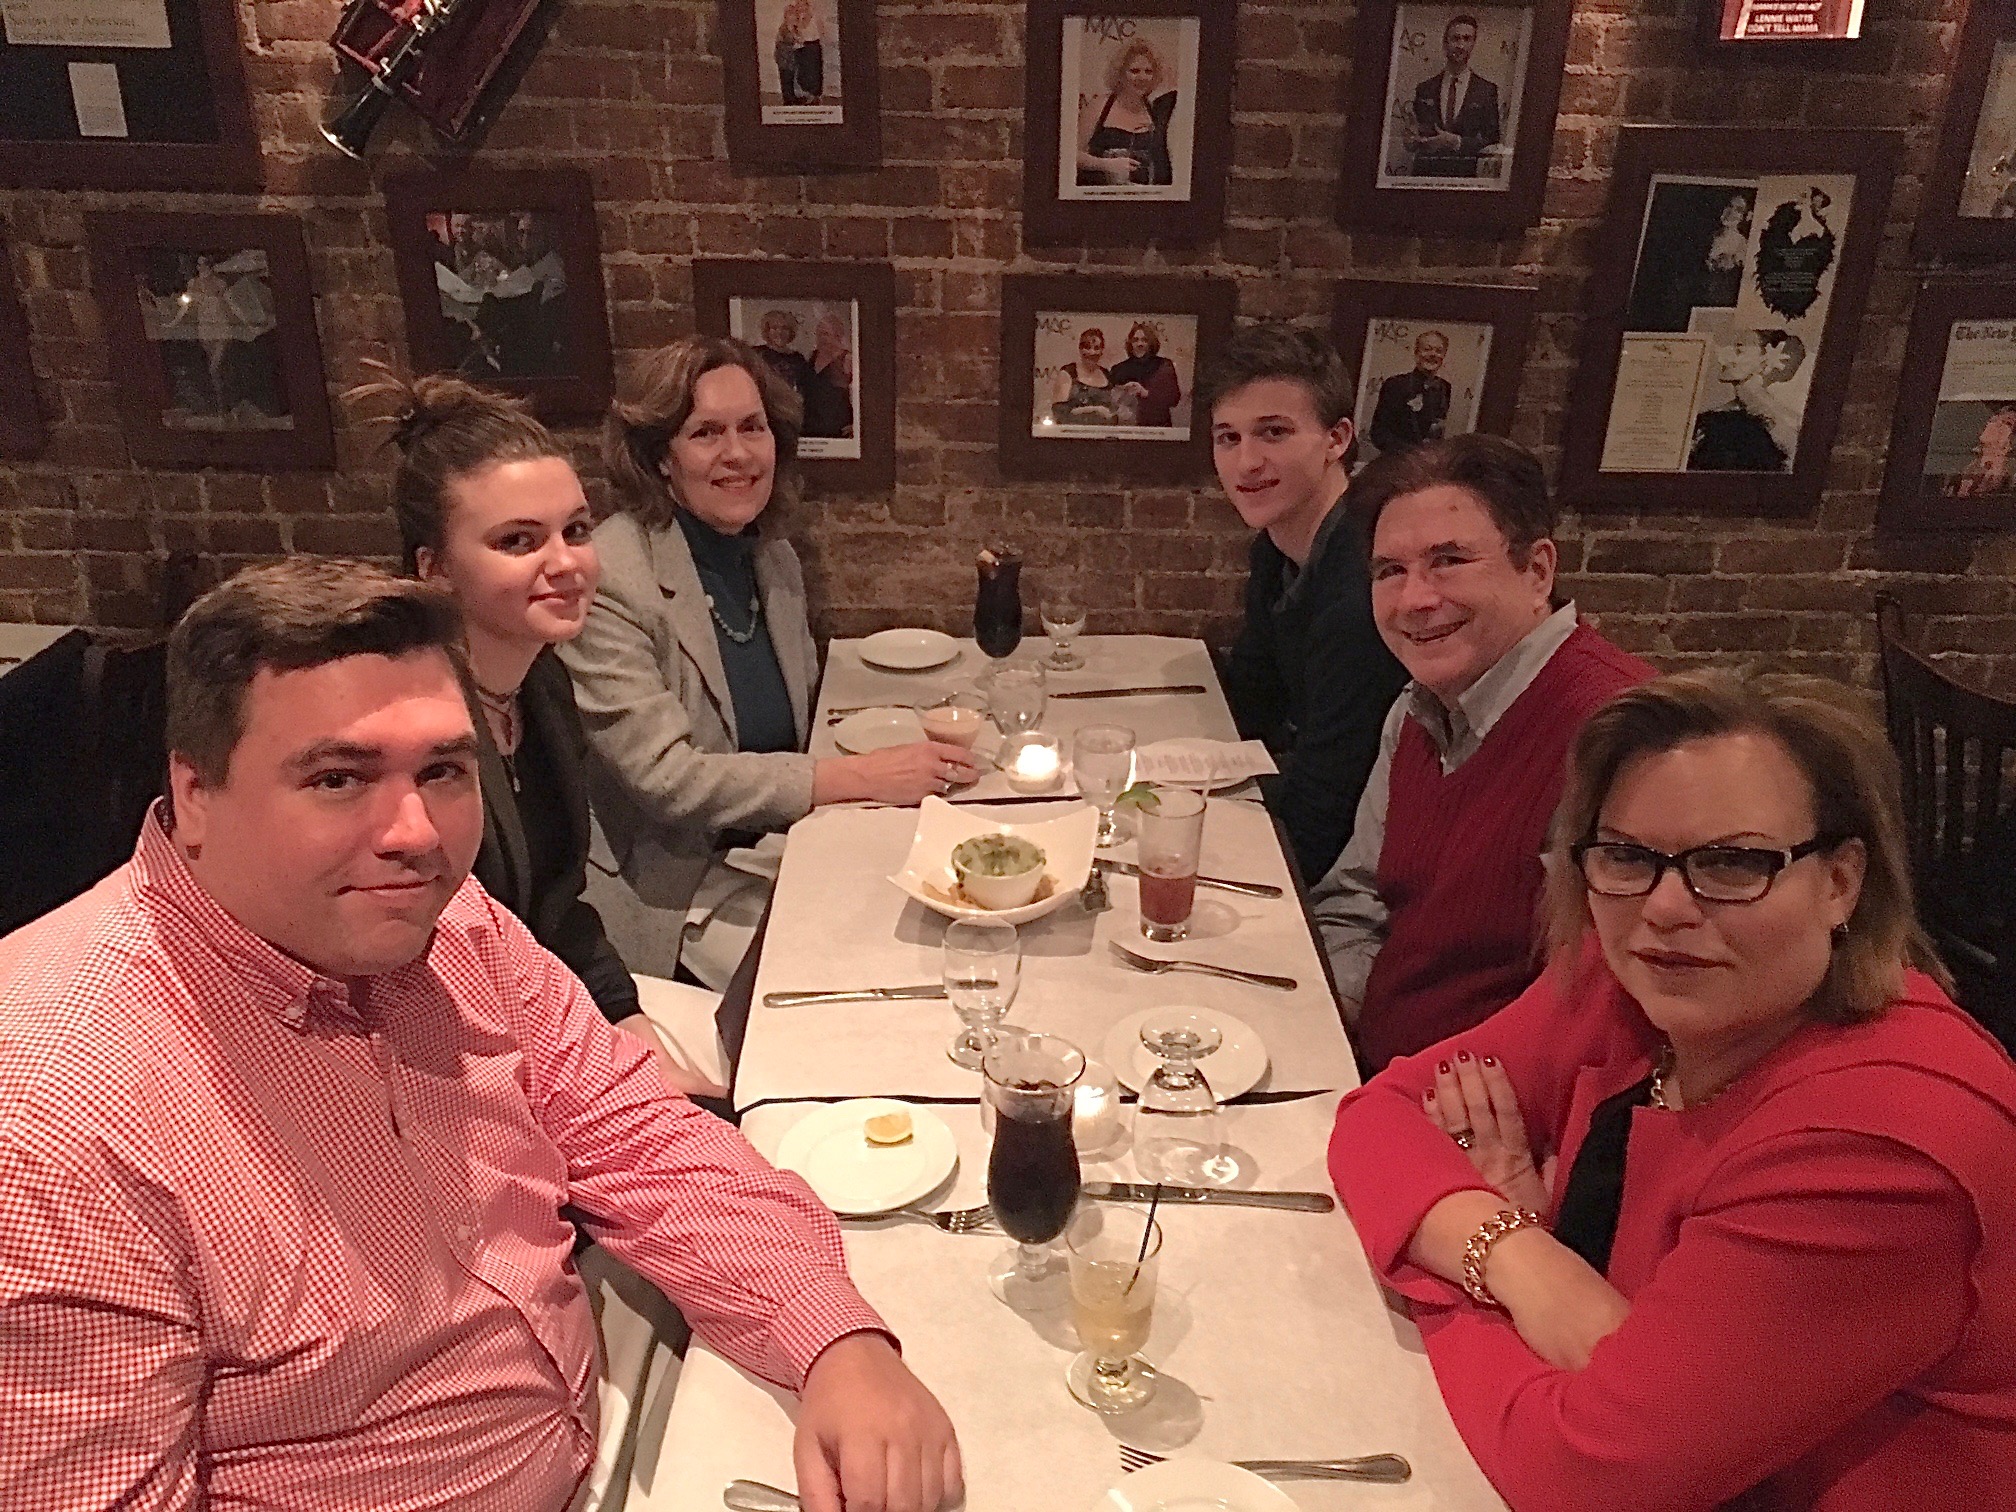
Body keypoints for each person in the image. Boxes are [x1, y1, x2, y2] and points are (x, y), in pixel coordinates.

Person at [0, 559, 964, 1511]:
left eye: (444, 770)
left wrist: (837, 1344)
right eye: (339, 777)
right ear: (196, 793)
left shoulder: (453, 922)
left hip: (612, 1427)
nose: (416, 832)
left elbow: (638, 1136)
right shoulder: (53, 1121)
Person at [1328, 668, 2016, 1511]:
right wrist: (1522, 1257)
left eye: (1731, 863)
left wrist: (1451, 1251)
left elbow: (1583, 1474)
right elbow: (1375, 1120)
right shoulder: (1632, 984)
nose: (1664, 906)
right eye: (1626, 856)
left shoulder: (1885, 1145)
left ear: (1840, 882)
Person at [560, 335, 978, 987]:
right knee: (875, 977)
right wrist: (856, 777)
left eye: (752, 427)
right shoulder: (612, 578)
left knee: (943, 924)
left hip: (771, 854)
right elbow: (669, 781)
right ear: (658, 458)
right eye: (705, 433)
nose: (737, 453)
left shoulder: (769, 556)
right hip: (676, 890)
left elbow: (793, 729)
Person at [353, 368, 724, 1095]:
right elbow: (420, 990)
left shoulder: (544, 683)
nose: (567, 564)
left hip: (539, 1023)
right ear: (433, 570)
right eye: (519, 541)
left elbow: (557, 910)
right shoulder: (408, 743)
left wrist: (632, 1034)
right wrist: (615, 1089)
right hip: (442, 1074)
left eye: (576, 531)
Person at [1310, 434, 1652, 1070]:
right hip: (1370, 1071)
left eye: (1449, 561)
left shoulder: (1620, 737)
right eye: (1391, 571)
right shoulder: (1414, 712)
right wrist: (1324, 1027)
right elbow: (1358, 900)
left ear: (1538, 571)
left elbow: (1605, 1017)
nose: (1415, 598)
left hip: (1483, 1123)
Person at [1204, 323, 1409, 883]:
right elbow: (1252, 695)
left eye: (1273, 433)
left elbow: (1330, 803)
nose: (1246, 463)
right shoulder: (1276, 549)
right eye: (1228, 437)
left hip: (1365, 867)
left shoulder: (1361, 579)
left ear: (1337, 439)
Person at [1687, 328, 1805, 472]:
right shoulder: (1712, 417)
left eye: (1739, 350)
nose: (1724, 356)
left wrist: (1752, 391)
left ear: (1766, 362)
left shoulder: (1782, 422)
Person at [1074, 36, 1177, 187]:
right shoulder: (1099, 106)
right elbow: (1070, 155)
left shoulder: (1157, 112)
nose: (1142, 77)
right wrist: (1106, 165)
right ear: (1120, 73)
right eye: (1134, 71)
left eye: (1148, 71)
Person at [1406, 15, 1501, 178]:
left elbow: (1492, 141)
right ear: (1445, 43)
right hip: (1424, 177)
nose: (1461, 45)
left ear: (1473, 44)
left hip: (1462, 180)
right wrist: (1411, 141)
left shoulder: (1486, 91)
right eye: (1455, 38)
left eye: (1467, 39)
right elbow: (1416, 132)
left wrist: (1456, 142)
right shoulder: (1425, 89)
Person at [1366, 330, 1453, 458]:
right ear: (1417, 353)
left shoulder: (1445, 388)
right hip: (1396, 461)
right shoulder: (1395, 385)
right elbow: (1378, 433)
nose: (1433, 354)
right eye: (1427, 349)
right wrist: (1408, 454)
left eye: (1438, 351)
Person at [1107, 319, 1183, 429]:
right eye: (1135, 340)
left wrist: (1145, 393)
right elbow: (1109, 401)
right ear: (1130, 343)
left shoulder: (1164, 366)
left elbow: (1174, 399)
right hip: (1127, 430)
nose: (1140, 344)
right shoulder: (1118, 369)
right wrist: (1122, 390)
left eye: (1144, 340)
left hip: (1158, 429)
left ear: (1151, 343)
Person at [1049, 326, 1127, 426]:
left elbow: (1115, 407)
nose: (1092, 352)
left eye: (1096, 348)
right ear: (1080, 349)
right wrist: (1093, 410)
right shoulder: (1069, 373)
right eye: (1087, 347)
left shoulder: (1107, 375)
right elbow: (1059, 412)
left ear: (1102, 351)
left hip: (1104, 435)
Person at [802, 307, 855, 440]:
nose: (821, 338)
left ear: (837, 335)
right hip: (810, 428)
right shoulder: (812, 356)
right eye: (818, 334)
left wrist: (856, 424)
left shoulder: (847, 359)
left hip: (837, 429)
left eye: (825, 334)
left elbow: (862, 395)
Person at [755, 308, 815, 395]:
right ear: (767, 331)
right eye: (775, 328)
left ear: (791, 332)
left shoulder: (798, 358)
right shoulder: (757, 354)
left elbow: (806, 388)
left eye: (785, 328)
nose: (780, 332)